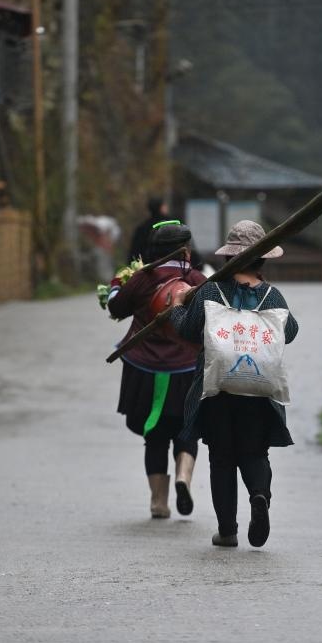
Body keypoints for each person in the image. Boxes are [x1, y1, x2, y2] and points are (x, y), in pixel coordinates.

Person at [168, 220, 298, 548]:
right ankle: (259, 496)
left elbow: (187, 329)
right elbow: (290, 331)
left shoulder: (212, 291)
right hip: (258, 391)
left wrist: (176, 306)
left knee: (222, 459)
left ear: (229, 259)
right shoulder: (273, 296)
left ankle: (227, 531)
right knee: (255, 454)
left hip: (217, 390)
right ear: (263, 260)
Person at [107, 221, 208, 518]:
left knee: (155, 435)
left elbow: (116, 308)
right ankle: (183, 477)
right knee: (187, 430)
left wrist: (116, 285)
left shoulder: (141, 279)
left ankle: (158, 502)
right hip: (187, 370)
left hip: (144, 369)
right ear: (187, 250)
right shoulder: (199, 280)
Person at [128, 196, 204, 270]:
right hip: (179, 270)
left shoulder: (142, 229)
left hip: (149, 273)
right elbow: (192, 253)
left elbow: (133, 256)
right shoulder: (176, 226)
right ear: (162, 207)